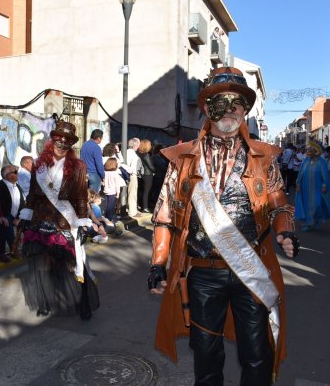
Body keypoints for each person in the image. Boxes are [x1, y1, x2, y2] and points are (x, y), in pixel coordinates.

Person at [148, 67, 298, 385]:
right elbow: (165, 214)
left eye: (237, 103)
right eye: (221, 102)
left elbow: (279, 202)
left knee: (257, 353)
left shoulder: (263, 159)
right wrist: (159, 263)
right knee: (205, 353)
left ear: (245, 109)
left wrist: (285, 229)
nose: (229, 110)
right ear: (206, 108)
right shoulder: (184, 160)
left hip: (250, 270)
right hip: (203, 273)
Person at [17, 120, 99, 320]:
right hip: (41, 219)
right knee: (43, 264)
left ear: (70, 145)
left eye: (66, 142)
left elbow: (80, 197)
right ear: (51, 142)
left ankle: (83, 305)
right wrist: (27, 213)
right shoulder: (39, 165)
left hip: (64, 220)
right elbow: (34, 194)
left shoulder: (78, 166)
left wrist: (82, 221)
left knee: (73, 263)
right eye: (58, 141)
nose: (61, 145)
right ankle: (44, 302)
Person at [294, 141, 330, 231]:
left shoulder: (321, 162)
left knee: (317, 204)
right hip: (305, 187)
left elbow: (325, 175)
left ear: (315, 151)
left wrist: (324, 185)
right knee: (306, 204)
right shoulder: (305, 161)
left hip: (317, 187)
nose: (307, 152)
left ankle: (316, 220)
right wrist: (298, 183)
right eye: (307, 150)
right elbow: (300, 173)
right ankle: (307, 223)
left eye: (310, 151)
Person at [0, 164, 25, 252]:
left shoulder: (16, 185)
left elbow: (22, 203)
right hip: (3, 216)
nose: (17, 174)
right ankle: (14, 250)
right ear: (8, 176)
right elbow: (1, 206)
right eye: (15, 172)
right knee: (6, 223)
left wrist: (18, 217)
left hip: (17, 217)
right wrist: (13, 219)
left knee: (31, 223)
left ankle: (29, 247)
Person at [102, 158, 126, 223]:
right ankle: (109, 220)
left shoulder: (105, 173)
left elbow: (103, 182)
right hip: (112, 192)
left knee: (106, 206)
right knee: (111, 207)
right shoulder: (115, 174)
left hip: (106, 191)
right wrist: (118, 193)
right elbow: (117, 185)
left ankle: (106, 218)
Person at [137, 139, 155, 213]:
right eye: (150, 144)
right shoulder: (146, 155)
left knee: (141, 191)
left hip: (141, 174)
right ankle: (145, 208)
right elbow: (150, 166)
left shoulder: (139, 154)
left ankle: (141, 205)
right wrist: (155, 170)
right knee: (146, 192)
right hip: (147, 175)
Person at [126, 138, 141, 217]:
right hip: (132, 175)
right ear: (136, 145)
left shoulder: (127, 152)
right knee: (132, 193)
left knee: (129, 193)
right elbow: (131, 166)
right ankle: (132, 212)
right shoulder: (132, 154)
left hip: (129, 174)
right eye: (139, 144)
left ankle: (131, 209)